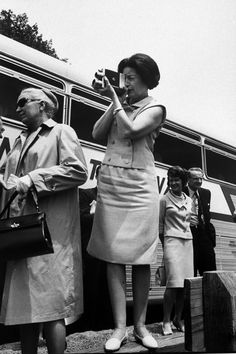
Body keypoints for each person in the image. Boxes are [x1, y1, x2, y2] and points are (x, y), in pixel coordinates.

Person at [87, 53, 166, 351]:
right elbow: (96, 133)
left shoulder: (156, 107)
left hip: (140, 187)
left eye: (131, 78)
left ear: (147, 80)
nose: (126, 83)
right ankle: (119, 328)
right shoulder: (119, 104)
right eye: (124, 78)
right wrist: (113, 100)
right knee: (113, 256)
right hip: (112, 184)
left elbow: (132, 131)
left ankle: (141, 326)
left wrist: (115, 99)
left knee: (142, 257)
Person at [0, 87, 88, 354]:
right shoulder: (19, 139)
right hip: (22, 231)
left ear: (42, 105)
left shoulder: (62, 132)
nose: (18, 108)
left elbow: (78, 171)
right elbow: (11, 181)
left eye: (23, 102)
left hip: (50, 234)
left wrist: (33, 179)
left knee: (51, 307)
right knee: (24, 307)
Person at [159, 166, 193, 335]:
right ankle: (165, 321)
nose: (173, 183)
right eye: (171, 180)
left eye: (176, 179)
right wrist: (165, 246)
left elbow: (190, 222)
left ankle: (177, 319)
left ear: (183, 181)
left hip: (187, 242)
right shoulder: (164, 199)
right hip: (171, 242)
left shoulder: (189, 200)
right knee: (172, 284)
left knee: (183, 286)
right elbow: (159, 226)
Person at [79, 165, 111, 330]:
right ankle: (88, 327)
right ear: (97, 177)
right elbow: (79, 220)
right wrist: (93, 212)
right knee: (90, 289)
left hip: (110, 252)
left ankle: (106, 327)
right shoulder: (85, 194)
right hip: (90, 251)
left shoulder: (114, 199)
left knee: (107, 291)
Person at [184, 167, 216, 276]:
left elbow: (207, 215)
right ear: (188, 179)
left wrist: (210, 240)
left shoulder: (206, 193)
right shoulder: (181, 192)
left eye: (201, 178)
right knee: (190, 272)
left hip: (204, 236)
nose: (199, 181)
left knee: (209, 273)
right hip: (188, 235)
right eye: (195, 178)